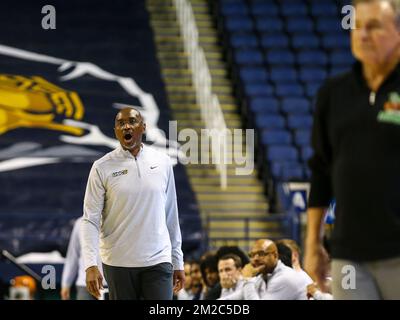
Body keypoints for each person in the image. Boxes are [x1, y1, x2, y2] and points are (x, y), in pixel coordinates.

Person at [304, 0, 400, 299]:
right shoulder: (333, 94)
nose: (362, 34)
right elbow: (321, 169)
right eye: (357, 26)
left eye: (374, 26)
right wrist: (313, 243)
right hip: (349, 254)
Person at [81, 107, 185, 300]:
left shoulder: (162, 162)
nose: (126, 126)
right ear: (116, 132)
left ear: (143, 127)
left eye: (132, 121)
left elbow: (171, 215)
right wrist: (90, 264)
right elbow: (90, 220)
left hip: (158, 259)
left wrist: (177, 261)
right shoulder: (101, 167)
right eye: (121, 124)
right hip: (118, 262)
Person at [225, 239, 307, 300]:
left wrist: (247, 280)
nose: (255, 259)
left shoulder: (285, 278)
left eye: (261, 254)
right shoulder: (262, 278)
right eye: (252, 255)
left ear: (275, 256)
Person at [61, 217, 106, 300]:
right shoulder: (80, 223)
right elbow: (73, 255)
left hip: (110, 285)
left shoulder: (115, 219)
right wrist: (66, 283)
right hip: (85, 285)